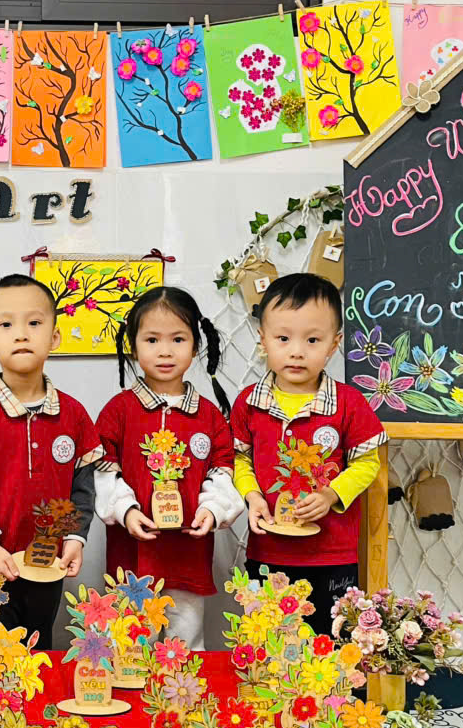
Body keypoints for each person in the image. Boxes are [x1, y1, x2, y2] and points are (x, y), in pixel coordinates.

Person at [0, 274, 104, 649]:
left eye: (34, 322)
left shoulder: (74, 415)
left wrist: (76, 538)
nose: (21, 335)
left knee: (38, 648)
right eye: (6, 325)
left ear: (55, 337)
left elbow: (83, 488)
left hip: (47, 565)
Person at [231, 273, 386, 634]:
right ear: (263, 340)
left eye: (313, 340)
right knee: (267, 640)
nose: (297, 351)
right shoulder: (249, 403)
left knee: (330, 645)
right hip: (268, 551)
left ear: (334, 344)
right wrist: (252, 496)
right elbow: (239, 459)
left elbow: (367, 464)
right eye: (283, 338)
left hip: (332, 555)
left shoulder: (348, 403)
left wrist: (331, 494)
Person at [94, 287, 242, 649]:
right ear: (133, 345)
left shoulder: (209, 415)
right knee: (130, 648)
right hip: (132, 557)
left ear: (195, 345)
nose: (165, 351)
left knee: (185, 647)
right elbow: (103, 472)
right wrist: (126, 511)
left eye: (178, 339)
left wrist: (212, 510)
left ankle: (183, 688)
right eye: (152, 340)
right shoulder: (118, 411)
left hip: (188, 557)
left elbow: (223, 472)